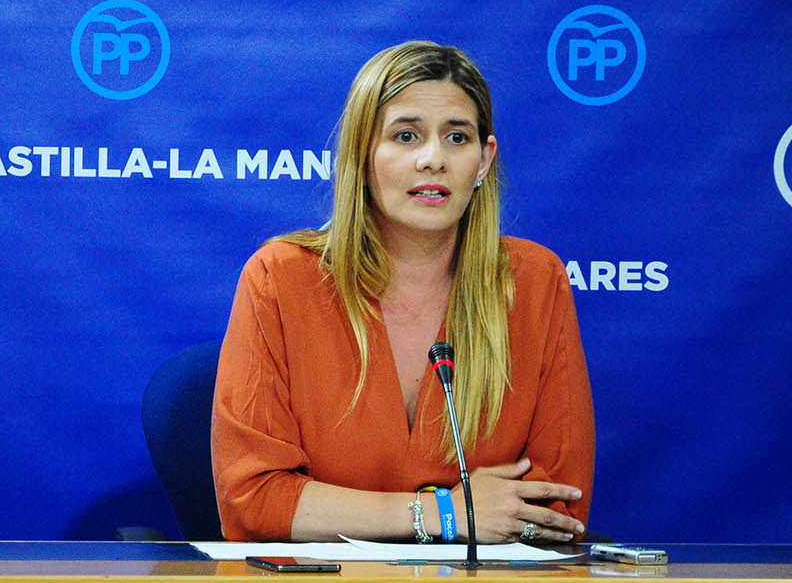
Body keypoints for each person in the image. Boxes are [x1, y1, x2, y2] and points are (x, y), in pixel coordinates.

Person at [211, 40, 594, 544]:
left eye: (457, 138)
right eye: (406, 135)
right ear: (362, 155)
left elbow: (554, 505)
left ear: (484, 160)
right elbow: (254, 500)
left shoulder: (534, 282)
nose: (433, 159)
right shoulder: (280, 279)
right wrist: (442, 513)